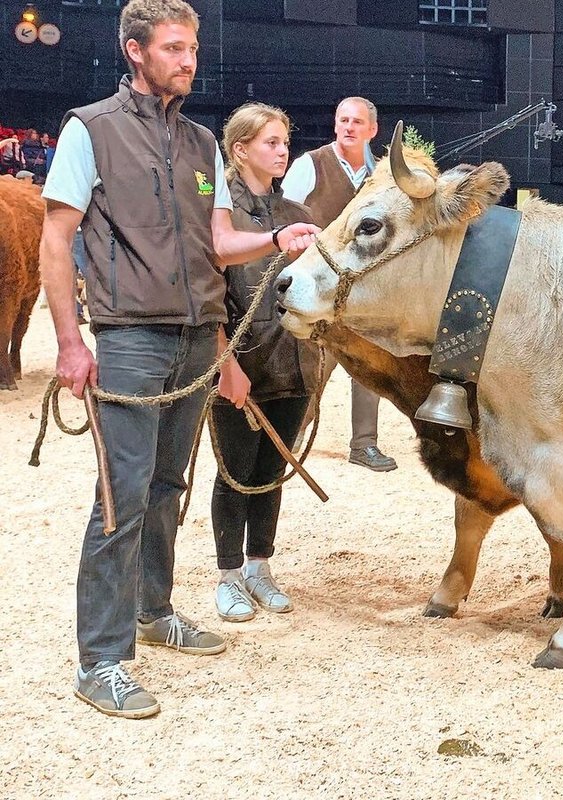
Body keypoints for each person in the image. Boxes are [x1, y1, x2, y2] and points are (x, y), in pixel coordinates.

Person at [38, 0, 320, 718]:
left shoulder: (200, 143)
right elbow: (56, 238)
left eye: (191, 48)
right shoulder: (89, 129)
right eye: (172, 48)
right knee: (121, 496)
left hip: (198, 337)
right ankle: (101, 661)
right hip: (130, 338)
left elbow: (219, 244)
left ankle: (153, 610)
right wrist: (70, 342)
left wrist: (276, 240)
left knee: (169, 485)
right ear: (134, 51)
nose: (188, 60)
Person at [211, 102, 321, 623]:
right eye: (271, 143)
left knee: (272, 471)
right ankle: (229, 577)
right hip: (241, 364)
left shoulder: (298, 215)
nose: (282, 152)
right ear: (240, 150)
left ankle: (259, 568)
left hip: (294, 363)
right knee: (234, 472)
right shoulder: (218, 216)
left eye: (285, 142)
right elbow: (207, 294)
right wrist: (224, 363)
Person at [282, 96, 397, 472]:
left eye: (357, 122)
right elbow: (284, 217)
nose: (348, 127)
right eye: (343, 120)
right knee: (315, 366)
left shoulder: (383, 176)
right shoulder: (310, 165)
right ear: (335, 124)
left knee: (369, 367)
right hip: (319, 287)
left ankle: (364, 444)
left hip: (365, 292)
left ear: (372, 130)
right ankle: (293, 435)